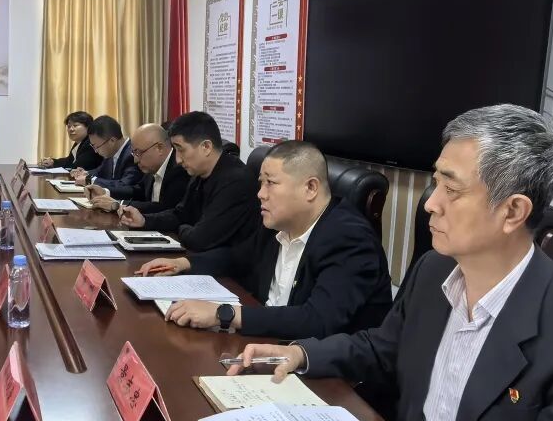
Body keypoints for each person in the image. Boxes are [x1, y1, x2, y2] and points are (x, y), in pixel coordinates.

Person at [227, 105, 553, 421]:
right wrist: (301, 354)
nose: (430, 204)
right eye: (435, 183)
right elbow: (384, 348)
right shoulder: (435, 270)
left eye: (451, 189)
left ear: (512, 211)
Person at [138, 140, 391, 339]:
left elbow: (317, 320)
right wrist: (183, 263)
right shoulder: (278, 223)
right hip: (267, 341)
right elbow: (237, 256)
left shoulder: (349, 238)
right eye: (261, 183)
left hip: (323, 372)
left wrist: (223, 314)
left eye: (271, 183)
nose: (260, 194)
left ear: (310, 188)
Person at [118, 111, 258, 252]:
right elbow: (180, 215)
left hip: (231, 262)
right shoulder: (199, 174)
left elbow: (199, 239)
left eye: (181, 150)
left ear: (206, 147)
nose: (178, 159)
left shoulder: (235, 182)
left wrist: (182, 227)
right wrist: (144, 220)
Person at [86, 123, 189, 214]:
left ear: (159, 148)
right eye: (133, 153)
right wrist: (106, 192)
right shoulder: (151, 167)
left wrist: (118, 204)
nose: (135, 160)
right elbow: (138, 191)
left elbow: (165, 208)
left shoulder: (180, 169)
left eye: (138, 153)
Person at [69, 115, 143, 194]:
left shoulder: (133, 154)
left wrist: (89, 180)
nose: (96, 151)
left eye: (96, 147)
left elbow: (124, 185)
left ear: (112, 141)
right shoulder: (111, 152)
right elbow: (100, 171)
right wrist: (86, 173)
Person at [37, 111, 102, 170]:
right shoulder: (79, 142)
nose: (71, 129)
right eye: (69, 126)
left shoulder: (90, 143)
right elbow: (69, 160)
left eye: (75, 125)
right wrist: (53, 162)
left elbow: (77, 166)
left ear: (88, 127)